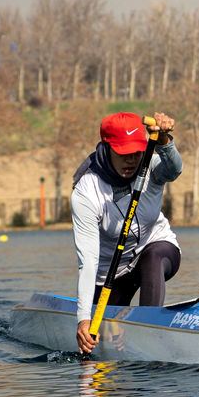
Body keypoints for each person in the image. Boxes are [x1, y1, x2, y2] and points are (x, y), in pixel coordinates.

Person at [71, 111, 182, 355]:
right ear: (106, 147)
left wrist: (164, 141)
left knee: (153, 257)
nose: (132, 160)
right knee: (108, 341)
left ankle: (149, 332)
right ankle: (125, 324)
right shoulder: (87, 191)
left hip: (156, 248)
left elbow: (174, 170)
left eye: (136, 151)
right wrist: (83, 319)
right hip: (111, 271)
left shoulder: (150, 165)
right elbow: (88, 261)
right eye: (124, 152)